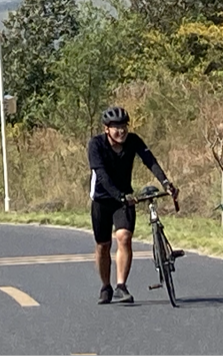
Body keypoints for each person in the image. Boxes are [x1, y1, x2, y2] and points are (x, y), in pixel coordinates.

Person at [88, 105, 178, 305]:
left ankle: (121, 286)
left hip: (124, 198)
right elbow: (101, 175)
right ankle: (106, 286)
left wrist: (166, 183)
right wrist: (118, 196)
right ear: (107, 129)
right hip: (102, 199)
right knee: (103, 245)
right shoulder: (95, 145)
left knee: (124, 237)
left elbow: (150, 161)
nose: (121, 131)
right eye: (116, 127)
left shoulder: (133, 141)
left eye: (124, 126)